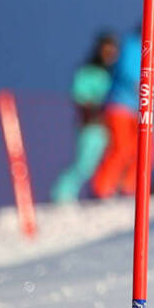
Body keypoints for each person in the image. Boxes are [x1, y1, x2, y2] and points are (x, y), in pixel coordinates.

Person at [93, 22, 154, 198]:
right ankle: (103, 188)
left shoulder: (146, 49)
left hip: (137, 107)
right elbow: (127, 71)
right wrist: (138, 85)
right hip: (119, 105)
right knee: (121, 148)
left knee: (147, 149)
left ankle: (129, 186)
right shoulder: (132, 45)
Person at [51, 31, 119, 204]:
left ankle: (104, 190)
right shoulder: (88, 71)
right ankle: (62, 194)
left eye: (113, 50)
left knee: (99, 161)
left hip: (104, 125)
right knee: (84, 163)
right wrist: (92, 108)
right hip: (89, 124)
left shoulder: (110, 73)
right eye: (106, 50)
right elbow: (79, 96)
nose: (109, 54)